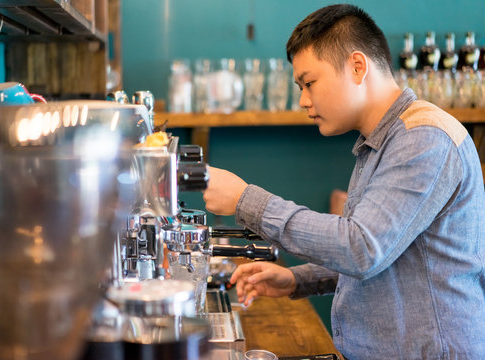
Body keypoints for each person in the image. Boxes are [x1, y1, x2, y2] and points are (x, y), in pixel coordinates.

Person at [202, 4, 485, 359]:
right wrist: (298, 279)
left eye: (309, 83)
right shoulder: (380, 142)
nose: (304, 100)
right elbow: (390, 252)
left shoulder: (423, 138)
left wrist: (245, 200)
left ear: (357, 66)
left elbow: (363, 248)